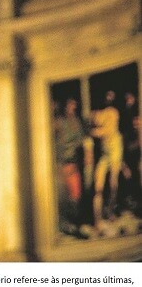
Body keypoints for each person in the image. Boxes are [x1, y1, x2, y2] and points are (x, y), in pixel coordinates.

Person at [53, 97, 89, 230]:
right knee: (63, 195)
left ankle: (75, 222)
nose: (71, 107)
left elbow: (83, 142)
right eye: (69, 105)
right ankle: (66, 223)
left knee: (75, 194)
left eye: (74, 105)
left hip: (73, 162)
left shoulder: (77, 122)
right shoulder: (59, 122)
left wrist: (86, 156)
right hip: (60, 163)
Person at [90, 90, 123, 231]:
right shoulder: (97, 113)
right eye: (107, 96)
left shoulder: (113, 112)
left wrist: (94, 131)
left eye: (111, 96)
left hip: (115, 148)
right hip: (104, 153)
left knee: (113, 183)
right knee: (98, 186)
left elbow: (108, 130)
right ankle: (97, 220)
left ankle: (110, 211)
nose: (109, 98)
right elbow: (94, 122)